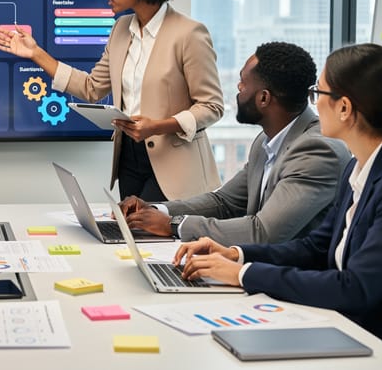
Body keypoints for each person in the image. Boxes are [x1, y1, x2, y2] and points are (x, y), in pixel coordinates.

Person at [175, 43, 382, 356]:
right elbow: (315, 247)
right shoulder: (359, 166)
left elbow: (356, 288)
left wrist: (243, 275)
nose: (312, 104)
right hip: (355, 328)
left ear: (344, 108)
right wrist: (237, 254)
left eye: (319, 93)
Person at [0, 0, 223, 201]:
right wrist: (36, 53)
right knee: (131, 238)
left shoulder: (189, 34)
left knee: (157, 240)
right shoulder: (121, 29)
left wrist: (159, 125)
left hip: (175, 168)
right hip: (128, 158)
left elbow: (211, 107)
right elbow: (91, 88)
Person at [120, 42, 350, 244]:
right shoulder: (265, 141)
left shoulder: (317, 150)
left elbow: (263, 232)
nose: (238, 89)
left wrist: (173, 224)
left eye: (243, 83)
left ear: (264, 98)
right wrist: (154, 209)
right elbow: (224, 202)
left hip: (294, 281)